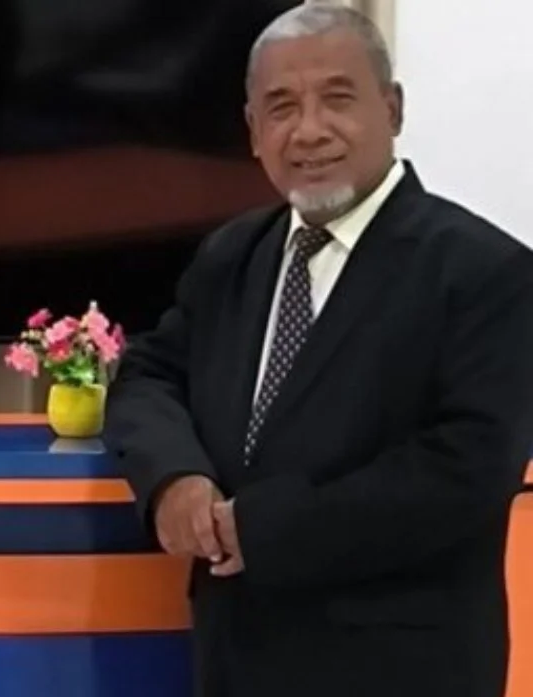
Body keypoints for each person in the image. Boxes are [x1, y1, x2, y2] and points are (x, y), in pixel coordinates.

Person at [102, 5, 533, 697]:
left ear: (392, 108)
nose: (309, 130)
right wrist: (174, 477)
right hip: (235, 661)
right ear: (253, 131)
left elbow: (468, 469)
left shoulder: (487, 272)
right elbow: (150, 372)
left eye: (337, 98)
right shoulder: (233, 254)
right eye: (282, 107)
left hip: (400, 671)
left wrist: (265, 530)